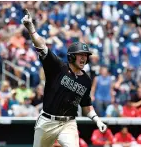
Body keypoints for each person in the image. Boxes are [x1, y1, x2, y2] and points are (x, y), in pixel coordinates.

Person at [21, 9, 107, 147]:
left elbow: (86, 105)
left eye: (86, 55)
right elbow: (42, 46)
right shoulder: (57, 67)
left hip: (68, 123)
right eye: (81, 55)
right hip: (47, 121)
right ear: (72, 56)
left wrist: (97, 120)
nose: (84, 58)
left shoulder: (86, 80)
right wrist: (31, 29)